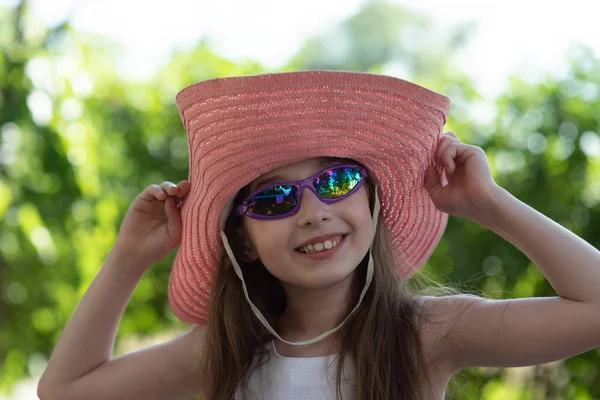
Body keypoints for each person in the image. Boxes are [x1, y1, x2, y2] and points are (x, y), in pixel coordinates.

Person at [38, 71, 600, 400]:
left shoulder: (429, 332)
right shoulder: (227, 350)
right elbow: (64, 392)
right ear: (244, 242)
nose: (311, 212)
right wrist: (128, 258)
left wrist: (489, 203)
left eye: (336, 181)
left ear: (372, 199)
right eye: (275, 199)